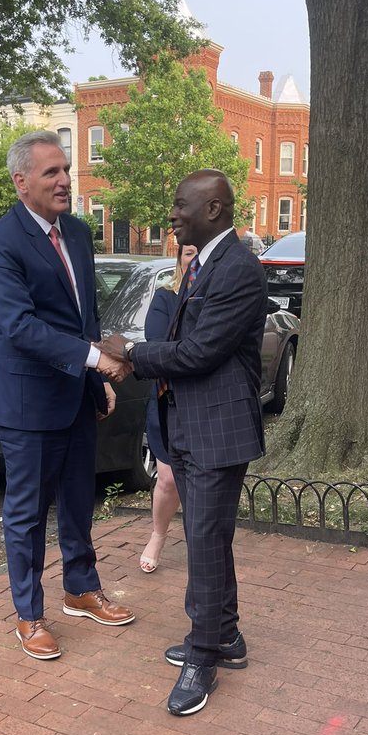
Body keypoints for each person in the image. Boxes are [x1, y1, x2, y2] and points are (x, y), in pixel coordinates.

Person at [100, 170, 267, 716]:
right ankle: (228, 638)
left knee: (204, 542)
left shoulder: (237, 269)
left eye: (180, 205)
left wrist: (131, 353)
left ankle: (203, 654)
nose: (171, 214)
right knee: (209, 539)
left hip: (218, 430)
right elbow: (181, 339)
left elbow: (198, 353)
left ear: (214, 209)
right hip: (193, 425)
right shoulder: (204, 261)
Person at [0, 130, 134, 660]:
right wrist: (96, 361)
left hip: (74, 396)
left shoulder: (81, 234)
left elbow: (83, 321)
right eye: (51, 172)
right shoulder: (0, 243)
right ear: (21, 182)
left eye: (66, 170)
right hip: (27, 403)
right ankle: (28, 614)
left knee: (77, 502)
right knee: (26, 513)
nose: (65, 180)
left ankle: (80, 588)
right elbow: (18, 327)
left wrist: (93, 382)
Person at [139, 243, 197, 573]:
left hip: (204, 404)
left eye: (199, 253)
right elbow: (159, 347)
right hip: (167, 401)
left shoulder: (217, 300)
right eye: (188, 253)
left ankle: (200, 545)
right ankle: (158, 536)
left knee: (200, 481)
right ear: (179, 259)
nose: (194, 260)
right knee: (169, 480)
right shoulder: (165, 297)